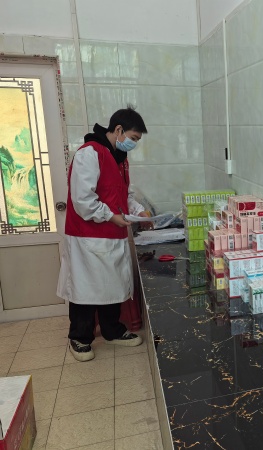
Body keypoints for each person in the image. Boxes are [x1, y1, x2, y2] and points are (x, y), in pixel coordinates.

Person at [57, 106, 151, 362]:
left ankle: (113, 330)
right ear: (118, 130)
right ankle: (79, 337)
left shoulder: (119, 158)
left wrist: (139, 211)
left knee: (112, 285)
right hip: (87, 237)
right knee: (86, 289)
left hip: (112, 235)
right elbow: (83, 200)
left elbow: (123, 195)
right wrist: (111, 216)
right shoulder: (89, 154)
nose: (134, 144)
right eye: (133, 138)